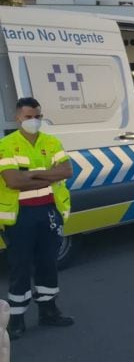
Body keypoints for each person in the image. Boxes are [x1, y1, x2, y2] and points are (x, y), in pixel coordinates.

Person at [1, 98, 75, 340]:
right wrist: (47, 176)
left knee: (48, 263)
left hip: (49, 211)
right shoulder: (6, 145)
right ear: (18, 118)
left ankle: (49, 311)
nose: (34, 121)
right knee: (20, 266)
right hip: (21, 215)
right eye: (28, 117)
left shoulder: (51, 142)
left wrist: (31, 175)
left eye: (37, 116)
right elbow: (13, 181)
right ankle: (16, 320)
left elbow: (66, 171)